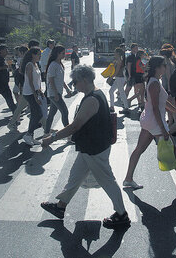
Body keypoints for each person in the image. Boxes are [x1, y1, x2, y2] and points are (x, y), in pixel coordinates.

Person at [40, 65, 131, 229]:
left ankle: (122, 214)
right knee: (75, 175)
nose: (74, 85)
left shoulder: (91, 99)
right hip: (90, 146)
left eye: (75, 82)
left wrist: (51, 138)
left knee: (108, 181)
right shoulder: (95, 94)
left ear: (84, 80)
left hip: (94, 148)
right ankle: (61, 206)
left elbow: (75, 126)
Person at [123, 56, 176, 189]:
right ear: (157, 67)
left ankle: (128, 178)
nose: (166, 67)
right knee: (171, 150)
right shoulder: (154, 83)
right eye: (164, 65)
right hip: (155, 122)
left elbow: (163, 102)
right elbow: (156, 107)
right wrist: (163, 128)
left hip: (149, 121)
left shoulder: (154, 81)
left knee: (140, 150)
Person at [7, 41, 40, 131]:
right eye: (38, 54)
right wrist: (34, 92)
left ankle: (12, 123)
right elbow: (26, 78)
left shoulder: (33, 63)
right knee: (36, 111)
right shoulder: (27, 63)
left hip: (28, 90)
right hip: (28, 90)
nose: (39, 56)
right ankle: (45, 129)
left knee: (21, 107)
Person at [44, 45, 73, 134]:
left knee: (52, 114)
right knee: (64, 112)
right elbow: (51, 80)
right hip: (54, 93)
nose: (64, 55)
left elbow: (60, 80)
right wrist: (56, 93)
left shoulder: (59, 64)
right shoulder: (53, 65)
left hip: (57, 93)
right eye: (63, 53)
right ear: (57, 53)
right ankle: (68, 134)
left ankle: (46, 132)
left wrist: (67, 89)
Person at [21, 47, 47, 145]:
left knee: (35, 114)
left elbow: (37, 81)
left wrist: (40, 91)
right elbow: (30, 82)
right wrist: (35, 96)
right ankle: (28, 134)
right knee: (38, 114)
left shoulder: (36, 64)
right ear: (32, 55)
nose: (39, 57)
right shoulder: (29, 65)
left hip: (35, 92)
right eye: (38, 55)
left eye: (40, 55)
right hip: (29, 93)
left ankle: (30, 136)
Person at [160, 44, 176, 129]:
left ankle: (175, 122)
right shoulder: (170, 62)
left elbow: (168, 77)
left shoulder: (167, 63)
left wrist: (169, 89)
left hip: (167, 87)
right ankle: (171, 122)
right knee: (170, 106)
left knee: (170, 106)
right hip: (169, 86)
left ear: (164, 55)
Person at [109, 47, 130, 115]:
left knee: (121, 92)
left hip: (120, 78)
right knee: (111, 91)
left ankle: (126, 108)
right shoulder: (118, 60)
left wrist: (110, 77)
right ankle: (112, 106)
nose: (114, 54)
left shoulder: (119, 61)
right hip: (119, 78)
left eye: (115, 52)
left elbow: (117, 71)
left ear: (118, 53)